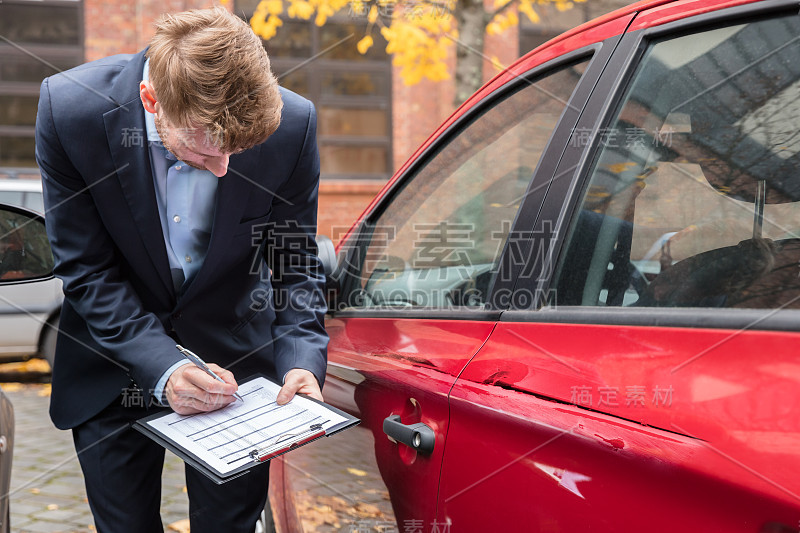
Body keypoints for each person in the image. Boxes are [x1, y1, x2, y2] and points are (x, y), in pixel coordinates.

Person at [34, 7, 328, 532]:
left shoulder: (293, 125)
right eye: (201, 150)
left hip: (237, 376)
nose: (223, 169)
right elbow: (86, 271)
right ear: (153, 101)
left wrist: (301, 359)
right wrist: (164, 367)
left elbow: (294, 263)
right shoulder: (70, 110)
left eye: (237, 153)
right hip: (112, 369)